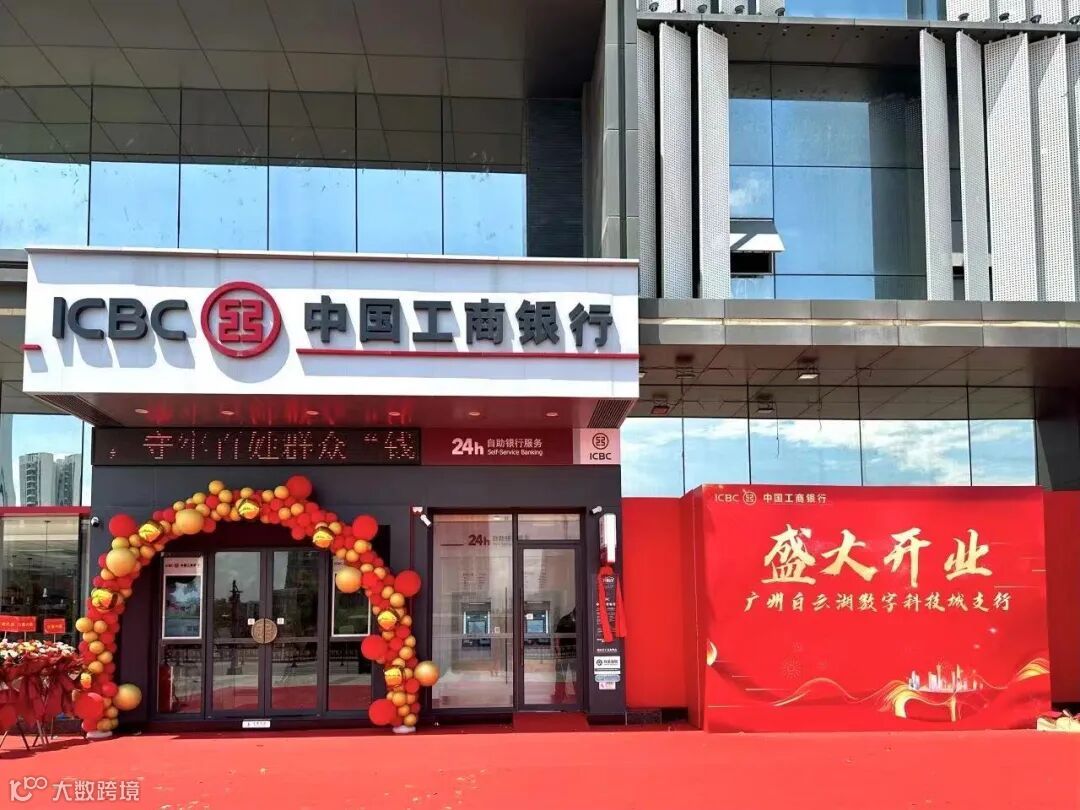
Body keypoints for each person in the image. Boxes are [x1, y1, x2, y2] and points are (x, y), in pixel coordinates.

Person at [552, 608, 576, 703]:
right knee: (560, 676)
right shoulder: (564, 620)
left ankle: (579, 699)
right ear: (572, 614)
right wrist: (558, 654)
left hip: (576, 654)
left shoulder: (580, 620)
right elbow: (557, 637)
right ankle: (559, 699)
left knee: (576, 676)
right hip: (563, 653)